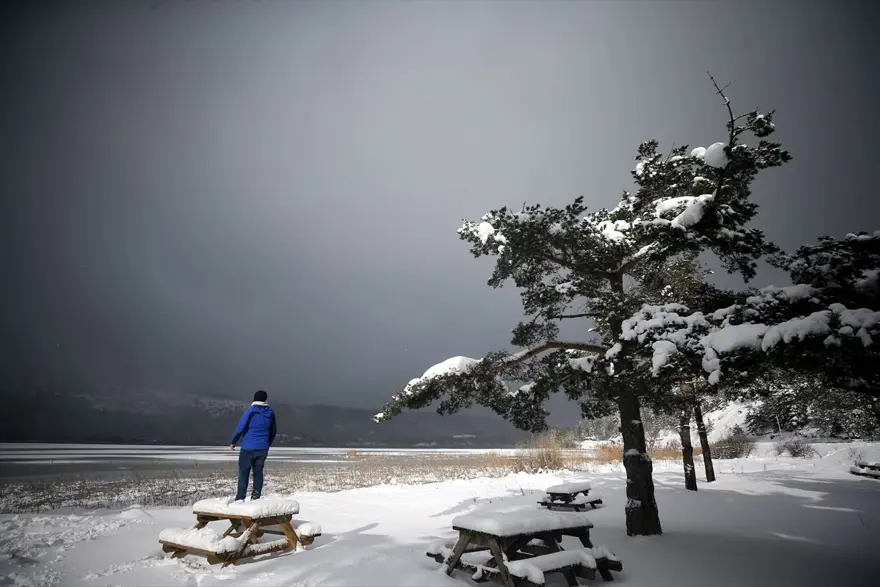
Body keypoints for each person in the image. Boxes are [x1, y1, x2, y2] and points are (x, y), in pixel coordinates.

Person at [229, 390, 277, 501]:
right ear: (265, 400)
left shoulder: (251, 411)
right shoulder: (270, 412)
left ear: (254, 399)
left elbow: (241, 427)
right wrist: (267, 443)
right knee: (258, 473)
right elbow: (273, 430)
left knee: (244, 473)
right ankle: (255, 496)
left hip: (247, 447)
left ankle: (240, 498)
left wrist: (233, 441)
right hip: (263, 448)